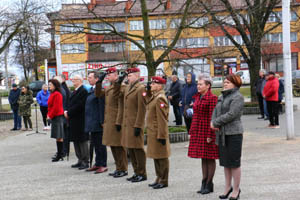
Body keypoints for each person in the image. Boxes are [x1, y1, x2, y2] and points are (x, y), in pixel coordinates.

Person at [211, 74, 244, 200]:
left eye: (228, 82)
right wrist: (213, 121)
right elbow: (216, 110)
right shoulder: (221, 96)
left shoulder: (238, 97)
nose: (225, 84)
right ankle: (227, 187)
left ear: (235, 84)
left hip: (234, 133)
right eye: (224, 82)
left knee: (234, 163)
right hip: (221, 133)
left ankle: (236, 189)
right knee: (225, 163)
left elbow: (232, 114)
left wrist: (216, 122)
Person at [95, 67, 128, 178]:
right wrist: (98, 83)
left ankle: (123, 168)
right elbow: (98, 94)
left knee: (119, 146)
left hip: (117, 120)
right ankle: (118, 168)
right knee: (113, 145)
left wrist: (119, 122)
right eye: (107, 75)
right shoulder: (109, 87)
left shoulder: (122, 87)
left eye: (110, 75)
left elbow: (118, 99)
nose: (108, 77)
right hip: (109, 120)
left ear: (116, 75)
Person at [115, 67, 147, 183]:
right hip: (127, 124)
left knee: (138, 150)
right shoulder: (128, 87)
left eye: (131, 75)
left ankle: (142, 173)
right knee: (131, 149)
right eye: (128, 76)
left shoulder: (141, 88)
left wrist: (138, 125)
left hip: (135, 124)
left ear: (137, 76)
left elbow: (142, 109)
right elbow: (117, 94)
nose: (128, 77)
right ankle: (136, 172)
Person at [188, 74, 218, 195]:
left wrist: (210, 134)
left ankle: (209, 183)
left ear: (208, 85)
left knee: (210, 157)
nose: (198, 86)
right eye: (198, 84)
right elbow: (195, 115)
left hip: (207, 130)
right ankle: (204, 181)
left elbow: (213, 117)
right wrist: (192, 131)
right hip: (198, 130)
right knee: (203, 157)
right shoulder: (198, 97)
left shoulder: (213, 98)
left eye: (200, 84)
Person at [145, 76, 170, 189]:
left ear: (160, 85)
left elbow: (162, 118)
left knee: (162, 157)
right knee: (156, 156)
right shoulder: (154, 96)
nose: (151, 85)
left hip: (158, 132)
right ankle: (158, 177)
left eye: (154, 84)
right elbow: (146, 99)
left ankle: (164, 180)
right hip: (153, 131)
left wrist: (162, 135)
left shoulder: (160, 98)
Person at [84, 71, 107, 174]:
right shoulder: (91, 90)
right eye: (88, 77)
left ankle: (103, 164)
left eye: (90, 77)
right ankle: (98, 163)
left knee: (100, 144)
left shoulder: (100, 91)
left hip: (97, 121)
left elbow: (101, 107)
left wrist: (102, 121)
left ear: (97, 79)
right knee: (95, 144)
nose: (88, 79)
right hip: (91, 121)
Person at [64, 75, 89, 170]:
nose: (73, 81)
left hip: (80, 119)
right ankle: (79, 159)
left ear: (80, 80)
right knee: (75, 140)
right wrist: (66, 111)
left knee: (82, 141)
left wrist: (69, 112)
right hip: (73, 119)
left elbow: (80, 105)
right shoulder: (75, 91)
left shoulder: (83, 91)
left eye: (75, 80)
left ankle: (85, 160)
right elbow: (70, 103)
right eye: (72, 80)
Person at [47, 79, 64, 162]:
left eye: (50, 84)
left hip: (57, 116)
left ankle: (60, 154)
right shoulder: (53, 93)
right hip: (55, 116)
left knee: (59, 136)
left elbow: (56, 107)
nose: (49, 86)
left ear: (55, 85)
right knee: (58, 136)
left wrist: (50, 116)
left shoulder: (57, 94)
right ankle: (59, 153)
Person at [59, 74, 71, 158]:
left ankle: (65, 150)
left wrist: (65, 111)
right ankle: (63, 150)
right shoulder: (62, 88)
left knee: (65, 133)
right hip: (64, 113)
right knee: (63, 133)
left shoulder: (63, 89)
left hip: (64, 113)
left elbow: (65, 101)